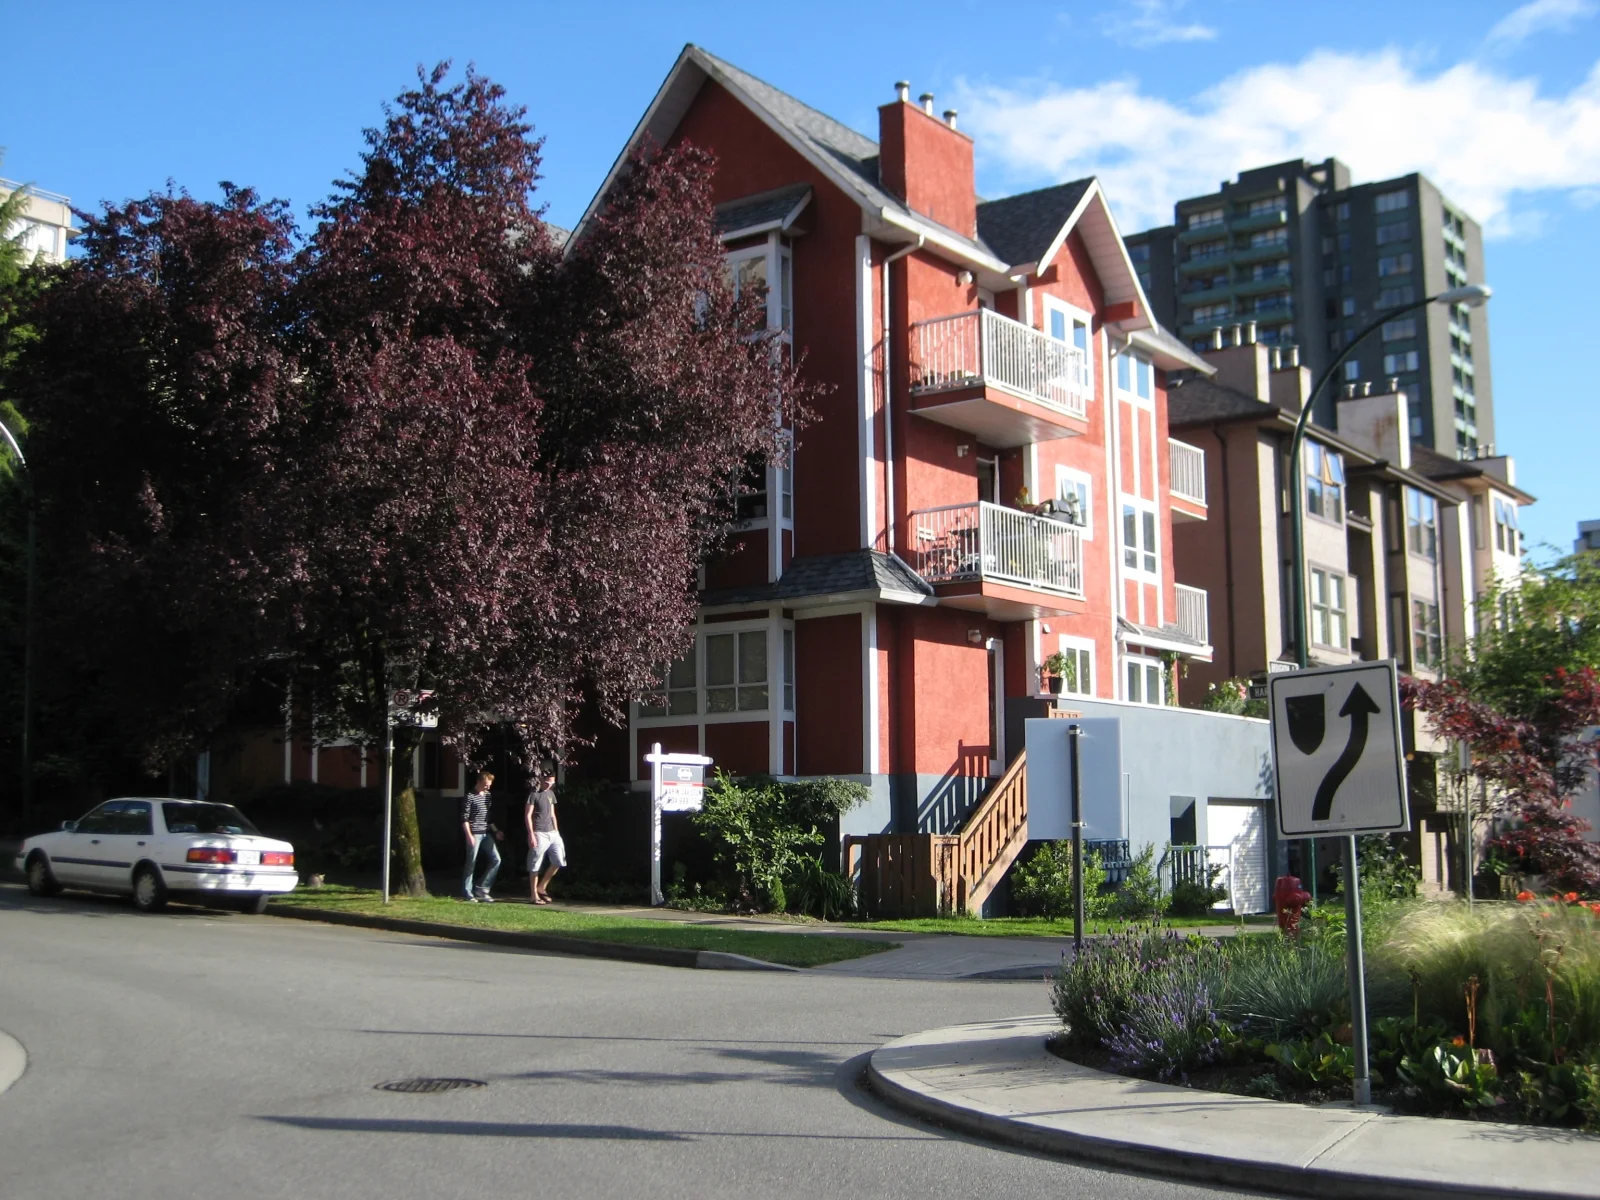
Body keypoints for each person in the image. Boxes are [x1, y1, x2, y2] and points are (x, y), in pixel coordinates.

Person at [461, 771, 504, 902]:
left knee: (496, 859)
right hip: (474, 833)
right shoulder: (470, 796)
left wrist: (496, 831)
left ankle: (482, 888)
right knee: (471, 862)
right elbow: (464, 818)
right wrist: (469, 835)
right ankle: (467, 892)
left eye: (489, 785)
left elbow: (488, 817)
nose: (488, 787)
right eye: (486, 785)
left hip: (485, 832)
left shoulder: (487, 796)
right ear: (479, 782)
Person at [524, 769, 565, 904]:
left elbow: (552, 814)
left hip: (553, 833)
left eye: (551, 783)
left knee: (559, 861)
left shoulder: (551, 794)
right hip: (539, 833)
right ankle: (533, 895)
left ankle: (542, 887)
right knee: (535, 865)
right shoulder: (533, 794)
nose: (549, 785)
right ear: (541, 780)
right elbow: (528, 815)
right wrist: (531, 834)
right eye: (547, 782)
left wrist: (557, 831)